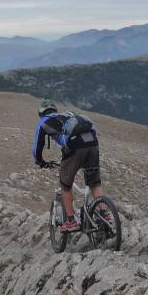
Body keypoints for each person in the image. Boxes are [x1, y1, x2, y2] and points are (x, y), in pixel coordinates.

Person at [33, 99, 109, 232]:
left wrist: (40, 161)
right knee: (95, 183)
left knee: (65, 185)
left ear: (41, 113)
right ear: (55, 110)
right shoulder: (68, 115)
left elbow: (37, 147)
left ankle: (71, 221)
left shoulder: (43, 122)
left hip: (75, 147)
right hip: (92, 144)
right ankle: (106, 215)